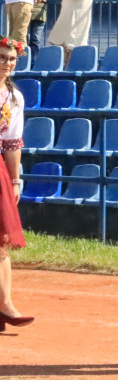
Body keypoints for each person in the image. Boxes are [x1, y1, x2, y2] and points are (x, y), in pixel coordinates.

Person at [0, 36, 31, 332]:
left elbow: (11, 143)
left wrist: (14, 180)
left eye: (12, 58)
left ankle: (5, 304)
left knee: (0, 239)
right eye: (2, 57)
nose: (8, 63)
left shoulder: (14, 97)